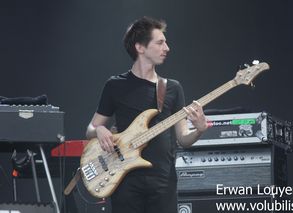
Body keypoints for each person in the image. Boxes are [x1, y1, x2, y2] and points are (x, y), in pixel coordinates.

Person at [86, 16, 208, 213]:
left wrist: (199, 131)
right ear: (140, 48)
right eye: (160, 42)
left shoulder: (172, 88)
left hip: (163, 180)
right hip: (124, 179)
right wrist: (100, 130)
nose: (167, 48)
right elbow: (90, 128)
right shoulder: (115, 85)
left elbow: (183, 139)